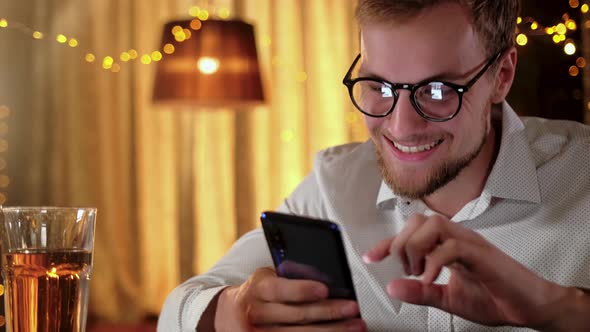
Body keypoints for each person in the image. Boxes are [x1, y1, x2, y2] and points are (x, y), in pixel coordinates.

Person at [158, 0, 590, 331]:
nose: (401, 125)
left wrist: (554, 306)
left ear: (502, 75)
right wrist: (233, 309)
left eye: (438, 90)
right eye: (378, 86)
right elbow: (179, 308)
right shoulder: (331, 188)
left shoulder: (582, 175)